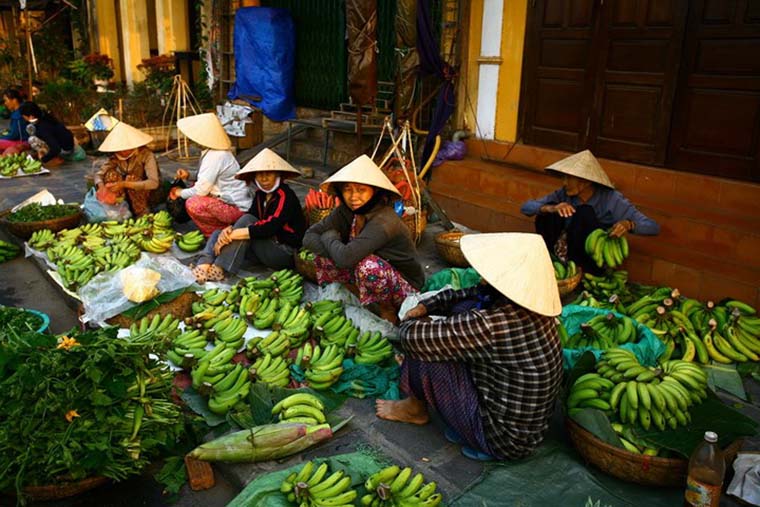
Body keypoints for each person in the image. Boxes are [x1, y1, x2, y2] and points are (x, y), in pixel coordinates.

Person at [376, 232, 564, 462]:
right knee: (463, 307)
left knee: (425, 349)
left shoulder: (496, 323)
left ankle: (414, 409)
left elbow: (413, 339)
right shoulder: (528, 308)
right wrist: (427, 306)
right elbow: (471, 294)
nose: (483, 278)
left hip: (500, 438)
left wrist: (416, 322)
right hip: (526, 430)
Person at [303, 154, 424, 324]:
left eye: (361, 190)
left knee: (367, 266)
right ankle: (355, 294)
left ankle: (387, 309)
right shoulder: (346, 211)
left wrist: (331, 237)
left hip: (404, 284)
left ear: (374, 192)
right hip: (359, 267)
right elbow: (308, 237)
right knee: (323, 256)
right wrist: (340, 250)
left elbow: (346, 258)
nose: (353, 197)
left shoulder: (385, 220)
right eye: (347, 189)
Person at [520, 150, 659, 274]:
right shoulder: (563, 194)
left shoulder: (611, 198)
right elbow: (526, 207)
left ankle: (584, 273)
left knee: (584, 213)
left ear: (585, 181)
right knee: (548, 211)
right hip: (564, 249)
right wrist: (550, 208)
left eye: (569, 178)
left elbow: (653, 227)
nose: (564, 182)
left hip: (592, 257)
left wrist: (629, 224)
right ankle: (553, 264)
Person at [192, 148, 307, 283]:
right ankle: (204, 264)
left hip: (283, 251)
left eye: (268, 174)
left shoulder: (286, 196)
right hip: (263, 246)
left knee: (245, 224)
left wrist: (233, 234)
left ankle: (220, 268)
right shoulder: (260, 194)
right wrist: (229, 230)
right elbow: (252, 214)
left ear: (277, 175)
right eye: (259, 174)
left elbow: (269, 227)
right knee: (219, 233)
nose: (264, 178)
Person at [169, 113, 252, 237]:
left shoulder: (216, 156)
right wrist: (188, 175)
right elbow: (208, 177)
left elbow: (200, 191)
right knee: (193, 190)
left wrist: (179, 192)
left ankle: (217, 233)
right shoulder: (213, 152)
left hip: (236, 206)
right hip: (231, 198)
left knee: (193, 203)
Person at [95, 121, 161, 217]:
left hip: (147, 192)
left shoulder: (146, 155)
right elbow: (99, 174)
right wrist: (101, 187)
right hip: (125, 193)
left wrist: (124, 184)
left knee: (131, 178)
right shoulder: (115, 157)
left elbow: (153, 183)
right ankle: (117, 209)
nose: (123, 151)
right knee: (110, 175)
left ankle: (141, 211)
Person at [18, 102, 85, 167]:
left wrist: (43, 160)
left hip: (64, 150)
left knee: (32, 139)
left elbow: (56, 149)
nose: (24, 119)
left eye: (24, 116)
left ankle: (54, 159)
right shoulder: (45, 115)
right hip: (70, 144)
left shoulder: (42, 127)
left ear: (31, 116)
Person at [0, 87, 30, 155]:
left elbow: (14, 135)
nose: (5, 103)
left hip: (23, 142)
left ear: (14, 100)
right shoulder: (19, 110)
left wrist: (2, 137)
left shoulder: (18, 114)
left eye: (6, 100)